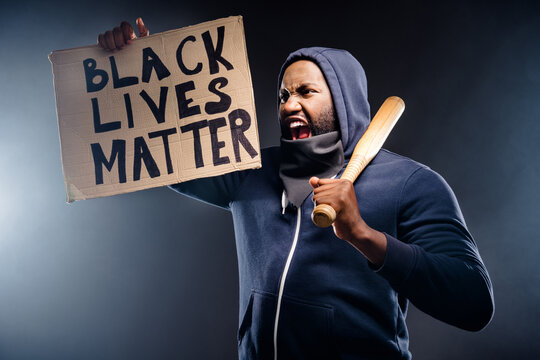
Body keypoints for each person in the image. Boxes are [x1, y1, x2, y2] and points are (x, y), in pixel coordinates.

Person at [98, 19, 494, 359]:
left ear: (343, 100)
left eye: (306, 92)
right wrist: (129, 69)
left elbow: (473, 301)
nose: (288, 105)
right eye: (284, 95)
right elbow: (157, 151)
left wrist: (365, 236)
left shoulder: (411, 184)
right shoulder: (251, 172)